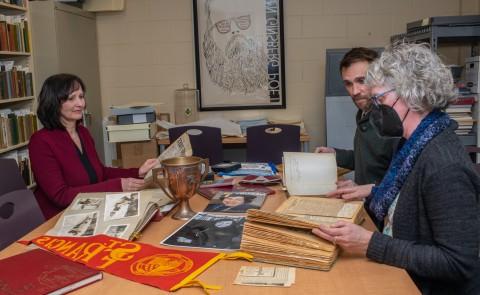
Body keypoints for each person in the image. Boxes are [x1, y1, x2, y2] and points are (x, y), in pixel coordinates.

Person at [313, 43, 480, 294]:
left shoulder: (444, 165)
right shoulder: (414, 145)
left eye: (381, 99)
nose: (376, 107)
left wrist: (371, 243)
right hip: (404, 273)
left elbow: (458, 263)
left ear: (412, 95)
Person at [29, 74, 159, 219]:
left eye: (81, 96)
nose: (80, 104)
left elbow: (100, 173)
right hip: (59, 218)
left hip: (91, 208)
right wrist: (118, 186)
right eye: (71, 98)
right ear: (54, 102)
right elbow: (61, 196)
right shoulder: (40, 141)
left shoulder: (83, 133)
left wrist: (138, 172)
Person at [316, 48, 399, 186]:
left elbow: (403, 184)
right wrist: (335, 155)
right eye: (348, 84)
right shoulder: (364, 113)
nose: (354, 91)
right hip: (365, 203)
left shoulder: (391, 120)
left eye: (362, 80)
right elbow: (368, 160)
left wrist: (363, 191)